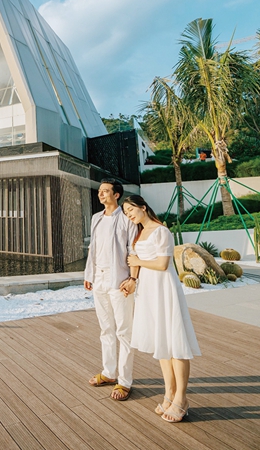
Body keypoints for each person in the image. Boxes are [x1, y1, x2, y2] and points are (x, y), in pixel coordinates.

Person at [123, 195, 200, 423]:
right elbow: (134, 260)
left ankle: (181, 399)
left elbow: (163, 263)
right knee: (162, 344)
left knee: (176, 344)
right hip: (148, 290)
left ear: (143, 207)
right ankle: (169, 394)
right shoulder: (139, 233)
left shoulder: (161, 231)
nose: (128, 215)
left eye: (131, 209)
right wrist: (132, 280)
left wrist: (138, 262)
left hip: (164, 288)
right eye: (126, 212)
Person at [83, 179, 140, 401]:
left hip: (120, 281)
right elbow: (93, 249)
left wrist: (133, 279)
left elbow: (133, 250)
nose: (101, 194)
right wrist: (89, 274)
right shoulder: (96, 218)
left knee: (124, 332)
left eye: (105, 191)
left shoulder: (126, 219)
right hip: (98, 279)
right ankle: (109, 372)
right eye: (100, 191)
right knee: (105, 328)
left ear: (116, 195)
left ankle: (124, 381)